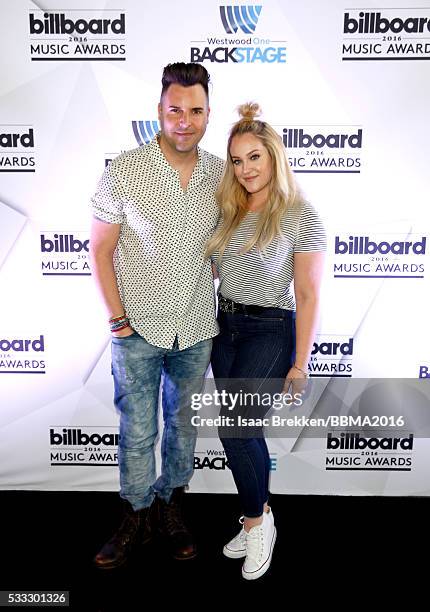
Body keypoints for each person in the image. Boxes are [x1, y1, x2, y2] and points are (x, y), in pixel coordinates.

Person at [89, 62, 224, 569]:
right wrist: (117, 321)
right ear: (159, 111)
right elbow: (100, 251)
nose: (184, 120)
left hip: (195, 327)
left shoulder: (219, 174)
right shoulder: (124, 170)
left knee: (183, 428)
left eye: (195, 110)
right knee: (137, 429)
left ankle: (170, 506)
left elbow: (223, 248)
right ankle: (136, 513)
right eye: (175, 110)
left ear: (208, 113)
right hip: (136, 329)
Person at [206, 103, 326, 580]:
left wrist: (300, 363)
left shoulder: (300, 214)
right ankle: (259, 513)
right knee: (237, 430)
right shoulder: (229, 207)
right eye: (236, 160)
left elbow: (308, 292)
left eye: (254, 157)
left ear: (274, 156)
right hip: (225, 330)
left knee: (236, 429)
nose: (245, 169)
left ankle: (258, 523)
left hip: (271, 330)